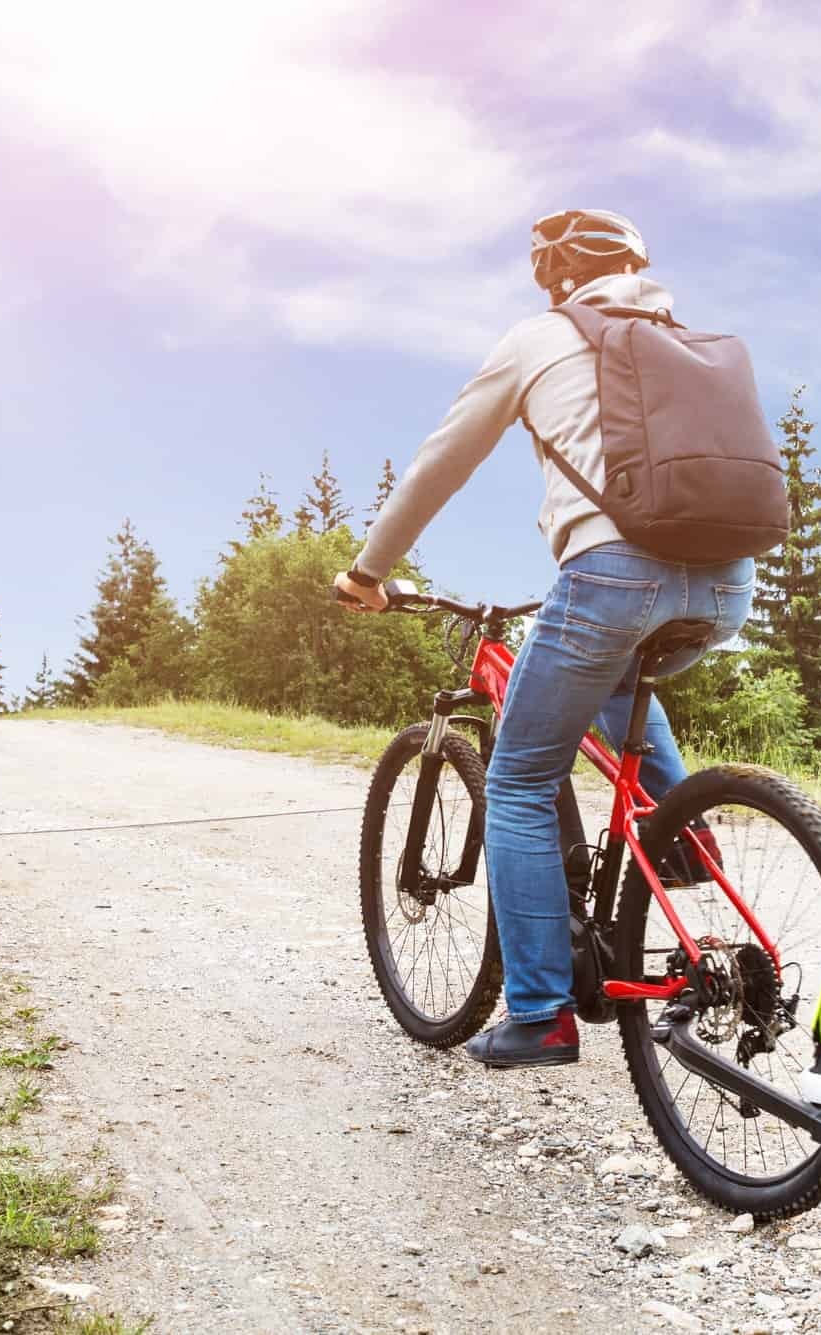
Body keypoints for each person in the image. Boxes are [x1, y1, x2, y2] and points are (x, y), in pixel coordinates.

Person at [334, 209, 754, 1069]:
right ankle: (682, 838)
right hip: (728, 583)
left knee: (521, 780)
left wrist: (369, 571)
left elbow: (441, 462)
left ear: (556, 279)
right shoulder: (692, 344)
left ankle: (540, 1014)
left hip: (610, 576)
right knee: (617, 683)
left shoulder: (541, 339)